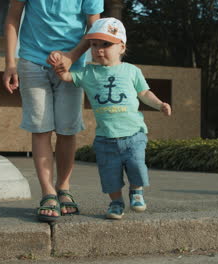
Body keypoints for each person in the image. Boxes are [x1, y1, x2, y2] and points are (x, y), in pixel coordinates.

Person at [49, 18, 172, 220]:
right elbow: (68, 78)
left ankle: (136, 191)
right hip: (106, 138)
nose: (99, 49)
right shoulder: (88, 72)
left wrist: (160, 105)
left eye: (106, 44)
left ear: (121, 47)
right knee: (109, 175)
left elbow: (144, 93)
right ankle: (116, 202)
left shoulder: (132, 71)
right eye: (94, 44)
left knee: (137, 166)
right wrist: (61, 69)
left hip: (134, 134)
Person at [3, 0, 103, 222]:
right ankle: (48, 192)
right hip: (32, 61)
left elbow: (94, 28)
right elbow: (13, 17)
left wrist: (72, 56)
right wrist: (10, 62)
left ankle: (63, 188)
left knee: (67, 130)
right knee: (40, 129)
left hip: (71, 65)